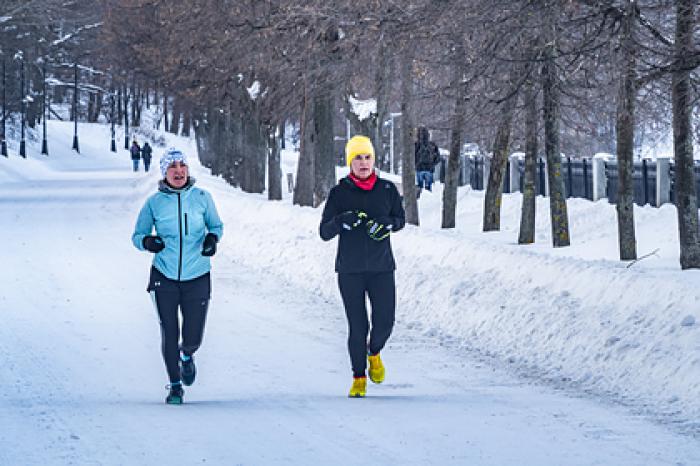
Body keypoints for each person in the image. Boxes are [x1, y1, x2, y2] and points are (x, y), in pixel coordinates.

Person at [132, 148, 224, 404]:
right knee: (169, 330)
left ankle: (187, 355)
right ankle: (174, 386)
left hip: (198, 274)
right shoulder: (154, 203)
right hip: (164, 275)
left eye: (182, 166)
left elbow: (216, 226)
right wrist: (149, 242)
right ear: (164, 173)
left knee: (193, 335)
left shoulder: (203, 198)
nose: (178, 171)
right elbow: (137, 236)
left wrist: (211, 239)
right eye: (172, 167)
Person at [319, 135, 405, 398]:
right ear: (349, 162)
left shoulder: (387, 190)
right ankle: (358, 378)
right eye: (357, 157)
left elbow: (400, 220)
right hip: (350, 270)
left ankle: (374, 352)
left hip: (381, 269)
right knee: (358, 326)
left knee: (385, 322)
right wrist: (342, 220)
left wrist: (387, 224)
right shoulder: (339, 193)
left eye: (367, 157)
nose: (363, 162)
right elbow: (324, 232)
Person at [414, 127, 440, 197]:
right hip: (429, 168)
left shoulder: (416, 144)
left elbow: (412, 156)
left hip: (419, 168)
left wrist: (415, 164)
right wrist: (433, 164)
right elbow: (438, 157)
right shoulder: (432, 145)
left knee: (420, 186)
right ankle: (428, 200)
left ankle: (420, 200)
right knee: (428, 186)